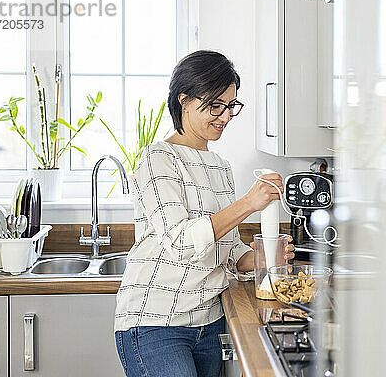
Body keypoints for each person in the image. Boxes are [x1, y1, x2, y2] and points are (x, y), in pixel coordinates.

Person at [114, 50, 294, 377]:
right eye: (215, 105)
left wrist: (269, 256)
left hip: (210, 324)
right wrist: (248, 203)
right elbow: (181, 242)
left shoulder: (221, 168)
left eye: (230, 106)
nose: (224, 117)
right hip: (157, 322)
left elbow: (231, 252)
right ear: (183, 100)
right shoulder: (158, 158)